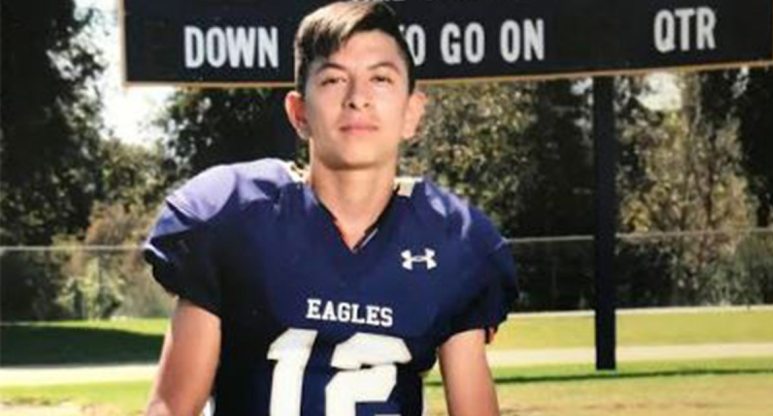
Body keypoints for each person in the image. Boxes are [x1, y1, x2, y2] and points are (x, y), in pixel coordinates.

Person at [143, 2, 517, 415]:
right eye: (334, 79)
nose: (358, 98)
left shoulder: (455, 240)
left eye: (380, 78)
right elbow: (171, 408)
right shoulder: (231, 217)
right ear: (299, 113)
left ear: (412, 112)